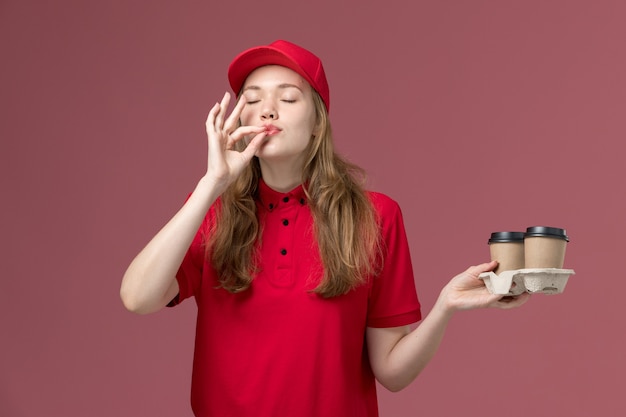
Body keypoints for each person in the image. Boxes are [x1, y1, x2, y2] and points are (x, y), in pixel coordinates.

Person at [120, 40, 529, 417]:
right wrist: (211, 185)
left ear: (318, 121)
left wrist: (445, 307)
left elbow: (392, 372)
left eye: (288, 97)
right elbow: (138, 298)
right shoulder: (212, 211)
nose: (267, 110)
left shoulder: (376, 216)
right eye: (252, 98)